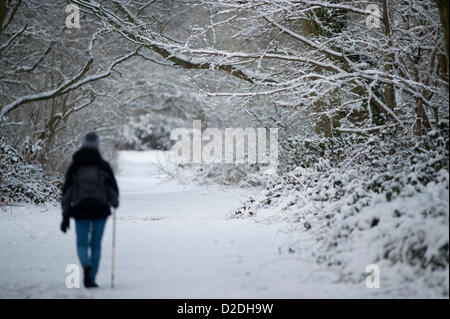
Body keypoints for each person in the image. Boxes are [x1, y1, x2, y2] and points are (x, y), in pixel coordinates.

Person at [60, 132, 119, 288]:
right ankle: (91, 277)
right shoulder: (103, 165)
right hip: (100, 209)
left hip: (80, 209)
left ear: (83, 144)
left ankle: (85, 266)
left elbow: (67, 192)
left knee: (82, 243)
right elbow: (113, 188)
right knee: (96, 245)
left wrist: (65, 215)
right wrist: (114, 202)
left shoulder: (75, 166)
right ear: (97, 146)